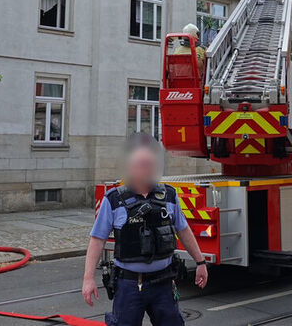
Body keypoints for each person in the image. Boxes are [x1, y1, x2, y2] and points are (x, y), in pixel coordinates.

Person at [82, 135, 209, 326]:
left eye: (150, 164)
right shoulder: (113, 200)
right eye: (141, 164)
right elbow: (97, 239)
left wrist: (200, 262)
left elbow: (183, 230)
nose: (147, 169)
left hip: (164, 283)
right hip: (129, 286)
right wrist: (88, 278)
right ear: (130, 168)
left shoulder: (169, 196)